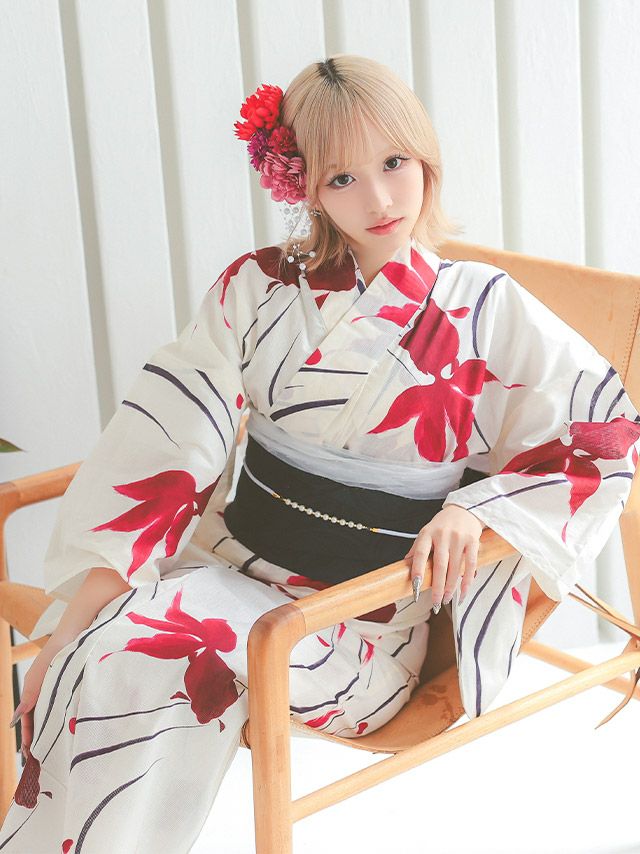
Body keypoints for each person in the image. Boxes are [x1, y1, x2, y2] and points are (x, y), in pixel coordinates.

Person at [2, 53, 639, 853]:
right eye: (343, 178)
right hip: (224, 573)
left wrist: (476, 510)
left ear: (425, 156)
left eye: (395, 163)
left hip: (357, 630)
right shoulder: (256, 287)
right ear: (302, 184)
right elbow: (166, 446)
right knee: (100, 652)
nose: (379, 200)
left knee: (148, 646)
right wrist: (72, 629)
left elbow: (605, 434)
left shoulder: (485, 306)